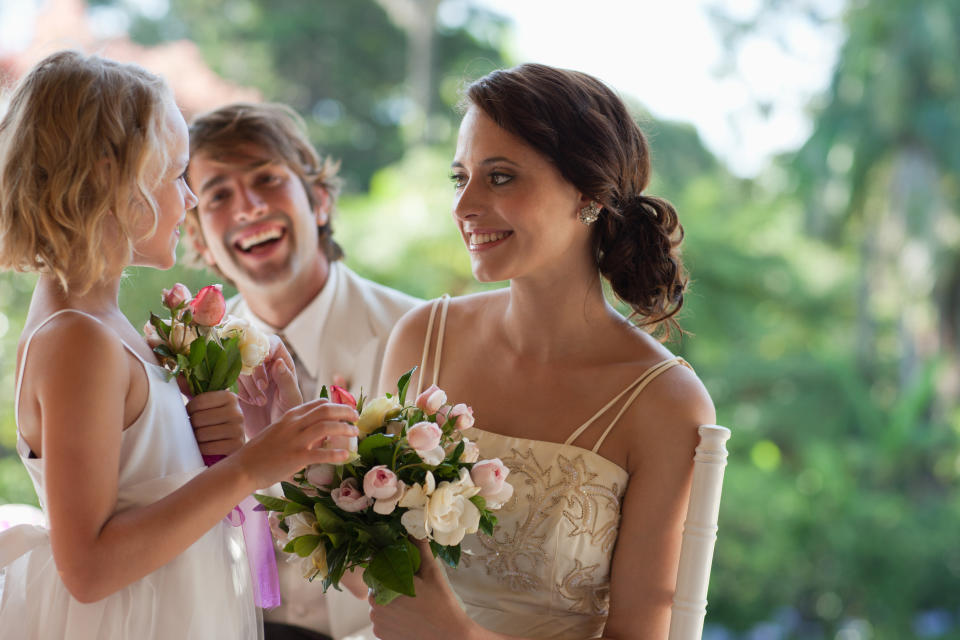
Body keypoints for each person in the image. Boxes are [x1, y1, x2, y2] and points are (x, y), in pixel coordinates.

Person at [0, 51, 359, 640]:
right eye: (174, 175)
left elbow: (145, 488)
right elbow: (88, 570)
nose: (188, 200)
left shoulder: (104, 325)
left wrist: (230, 439)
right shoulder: (77, 340)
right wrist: (249, 467)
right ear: (111, 180)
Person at [370, 63, 716, 640]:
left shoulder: (665, 403)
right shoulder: (421, 338)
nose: (464, 206)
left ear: (588, 195)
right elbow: (370, 580)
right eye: (461, 178)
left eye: (500, 177)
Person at [185, 102, 420, 640]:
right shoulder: (188, 367)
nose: (247, 207)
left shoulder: (415, 332)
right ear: (200, 240)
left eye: (267, 178)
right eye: (218, 194)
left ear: (319, 200)